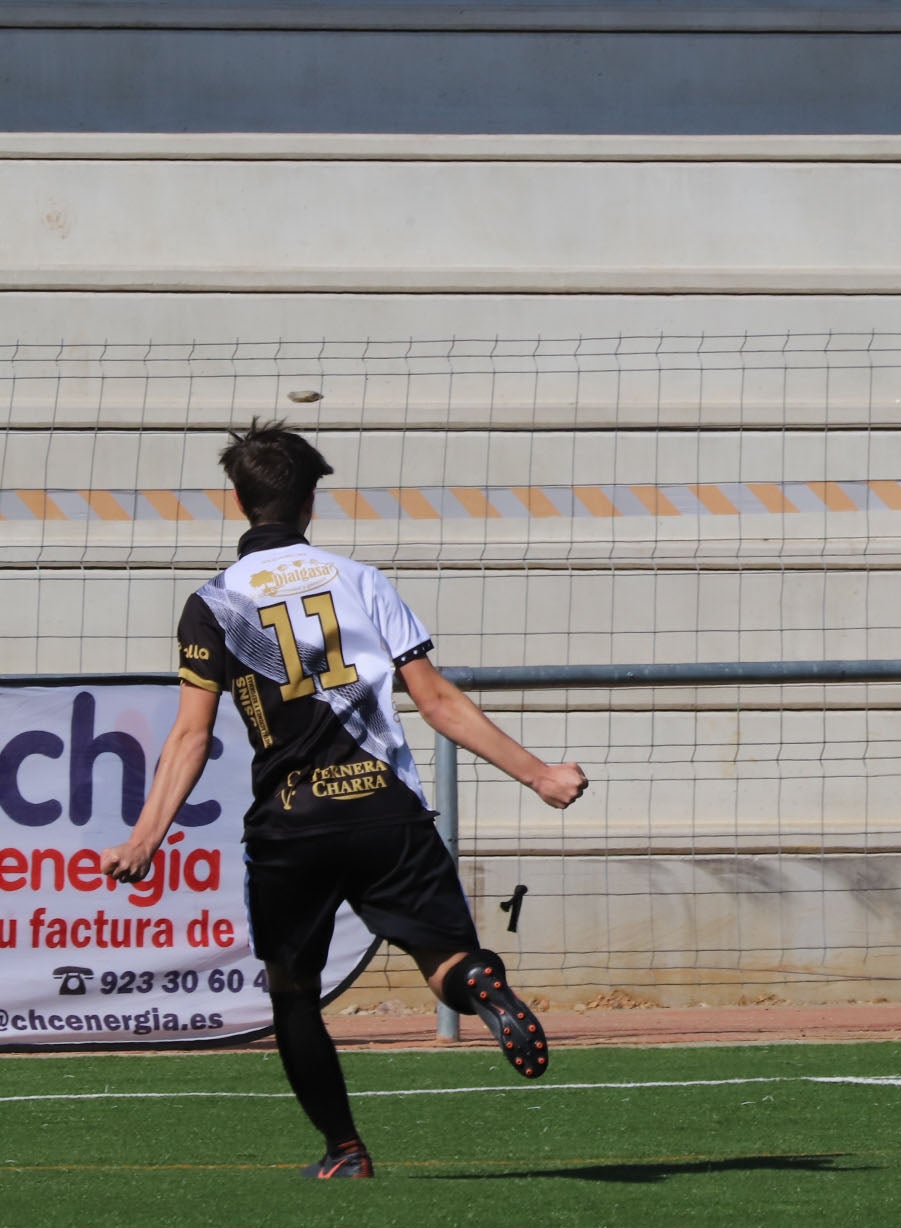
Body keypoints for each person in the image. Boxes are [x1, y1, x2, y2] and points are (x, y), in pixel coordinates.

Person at [101, 419, 589, 1178]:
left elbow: (190, 739)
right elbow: (437, 703)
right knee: (446, 957)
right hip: (383, 808)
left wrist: (143, 839)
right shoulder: (361, 580)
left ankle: (346, 1151)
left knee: (293, 992)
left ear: (238, 502)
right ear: (310, 504)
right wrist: (540, 775)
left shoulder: (214, 603)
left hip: (292, 825)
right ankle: (482, 985)